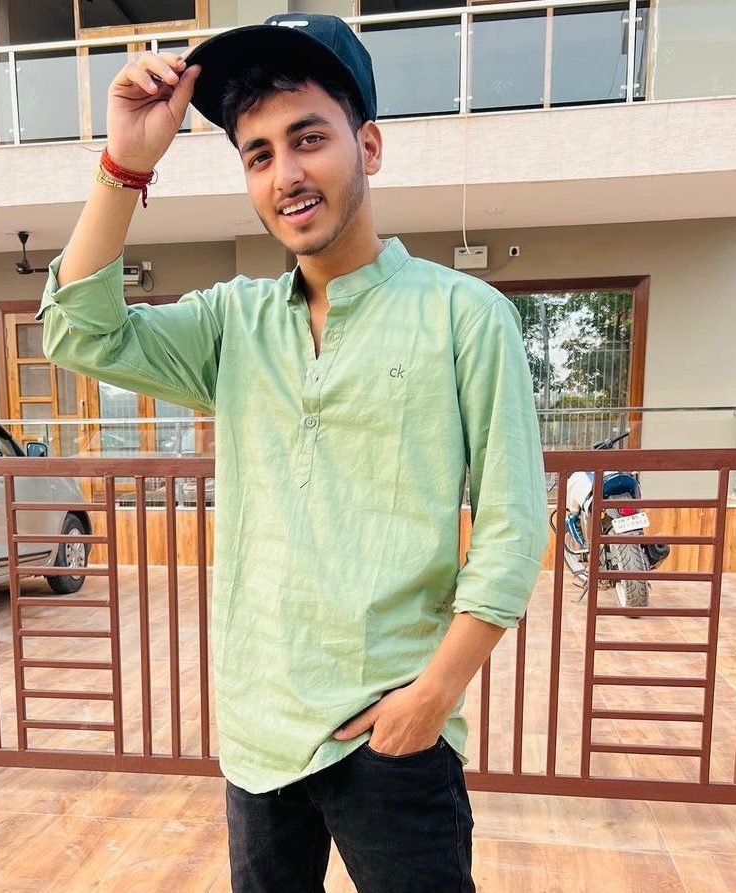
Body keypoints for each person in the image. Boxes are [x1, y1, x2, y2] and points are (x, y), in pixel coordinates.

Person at [38, 13, 547, 893]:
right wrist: (126, 164)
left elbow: (510, 529)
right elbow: (78, 333)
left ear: (368, 146)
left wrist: (430, 697)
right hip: (259, 734)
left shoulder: (463, 316)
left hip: (388, 729)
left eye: (308, 139)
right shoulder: (233, 323)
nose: (286, 175)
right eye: (259, 154)